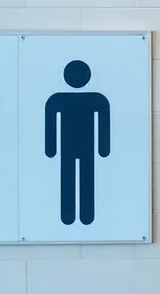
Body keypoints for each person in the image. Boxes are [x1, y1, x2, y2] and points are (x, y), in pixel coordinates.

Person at [44, 60, 110, 225]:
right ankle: (82, 216)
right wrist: (103, 148)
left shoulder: (57, 99)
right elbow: (103, 125)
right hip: (85, 147)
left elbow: (51, 126)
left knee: (70, 177)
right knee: (83, 177)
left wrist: (51, 149)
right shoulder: (97, 99)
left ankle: (72, 216)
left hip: (69, 147)